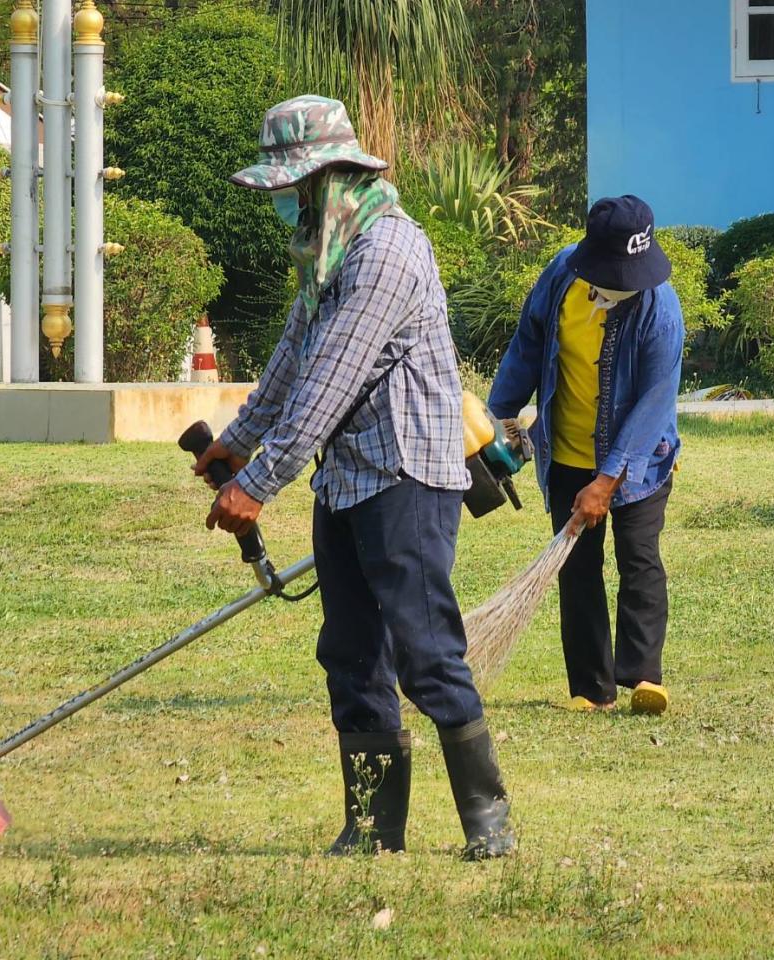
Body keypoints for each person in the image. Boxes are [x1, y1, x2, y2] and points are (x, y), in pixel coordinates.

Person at [194, 96, 514, 860]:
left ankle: (489, 824)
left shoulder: (385, 254)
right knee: (352, 653)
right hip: (347, 479)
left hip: (405, 473)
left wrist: (259, 482)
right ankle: (374, 829)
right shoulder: (330, 252)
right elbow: (289, 365)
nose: (283, 206)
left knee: (425, 649)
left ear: (328, 180)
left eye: (289, 190)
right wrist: (234, 446)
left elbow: (328, 385)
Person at [488, 196, 684, 714]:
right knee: (576, 570)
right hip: (568, 450)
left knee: (639, 559)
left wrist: (609, 478)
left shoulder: (660, 309)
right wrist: (498, 417)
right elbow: (527, 345)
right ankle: (590, 690)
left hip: (640, 462)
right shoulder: (561, 277)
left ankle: (644, 677)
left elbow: (654, 402)